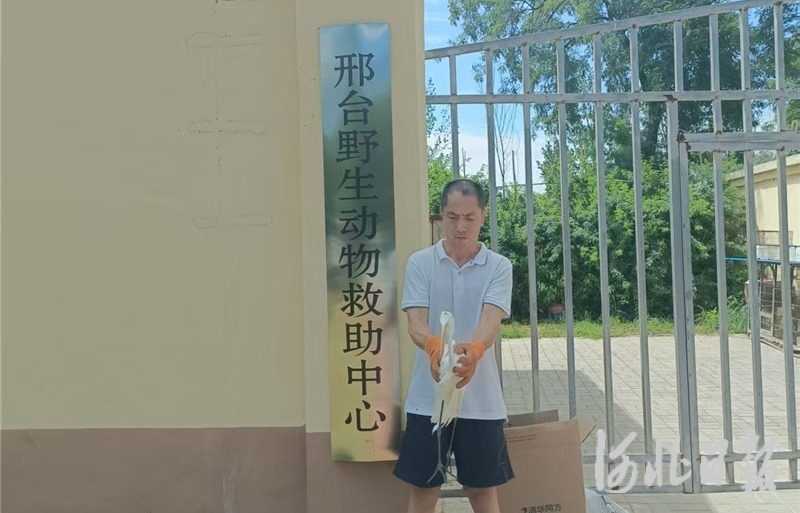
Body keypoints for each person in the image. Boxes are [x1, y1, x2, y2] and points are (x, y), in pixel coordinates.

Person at [393, 179, 514, 513]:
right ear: (441, 215)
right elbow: (415, 321)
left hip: (481, 400)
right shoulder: (421, 263)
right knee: (423, 490)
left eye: (469, 218)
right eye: (452, 217)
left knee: (482, 491)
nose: (460, 226)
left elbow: (491, 320)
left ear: (483, 216)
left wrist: (474, 351)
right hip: (427, 399)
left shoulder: (499, 266)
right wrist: (433, 346)